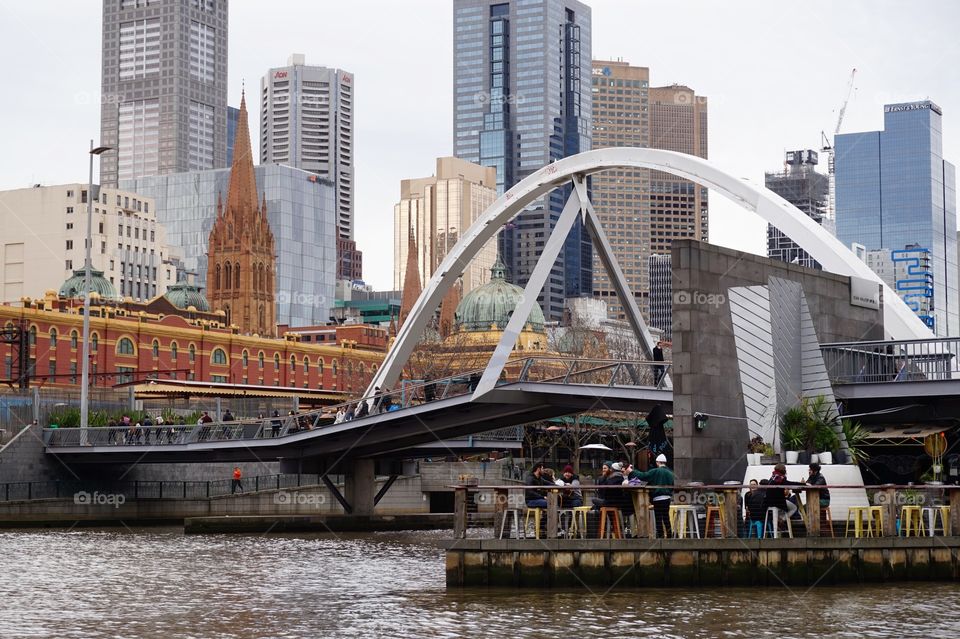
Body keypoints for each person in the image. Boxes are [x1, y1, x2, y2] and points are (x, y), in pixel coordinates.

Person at [632, 453, 675, 538]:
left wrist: (632, 471)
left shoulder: (655, 471)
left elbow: (643, 476)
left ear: (658, 462)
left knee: (658, 518)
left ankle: (661, 536)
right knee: (666, 517)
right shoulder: (671, 473)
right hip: (667, 498)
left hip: (657, 498)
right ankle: (670, 535)